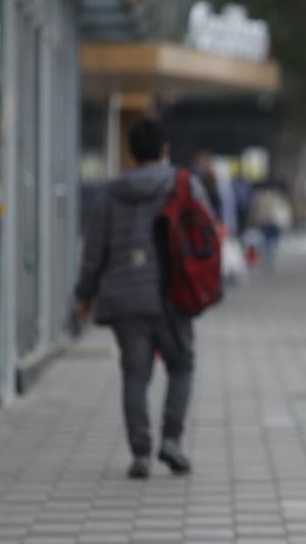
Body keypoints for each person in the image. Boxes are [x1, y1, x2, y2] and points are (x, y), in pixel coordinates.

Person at [74, 118, 213, 479]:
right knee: (181, 366)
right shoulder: (183, 184)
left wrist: (84, 293)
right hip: (172, 296)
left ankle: (140, 454)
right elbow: (207, 231)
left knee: (135, 376)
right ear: (164, 150)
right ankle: (171, 440)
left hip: (124, 300)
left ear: (131, 153)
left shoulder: (109, 192)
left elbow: (94, 250)